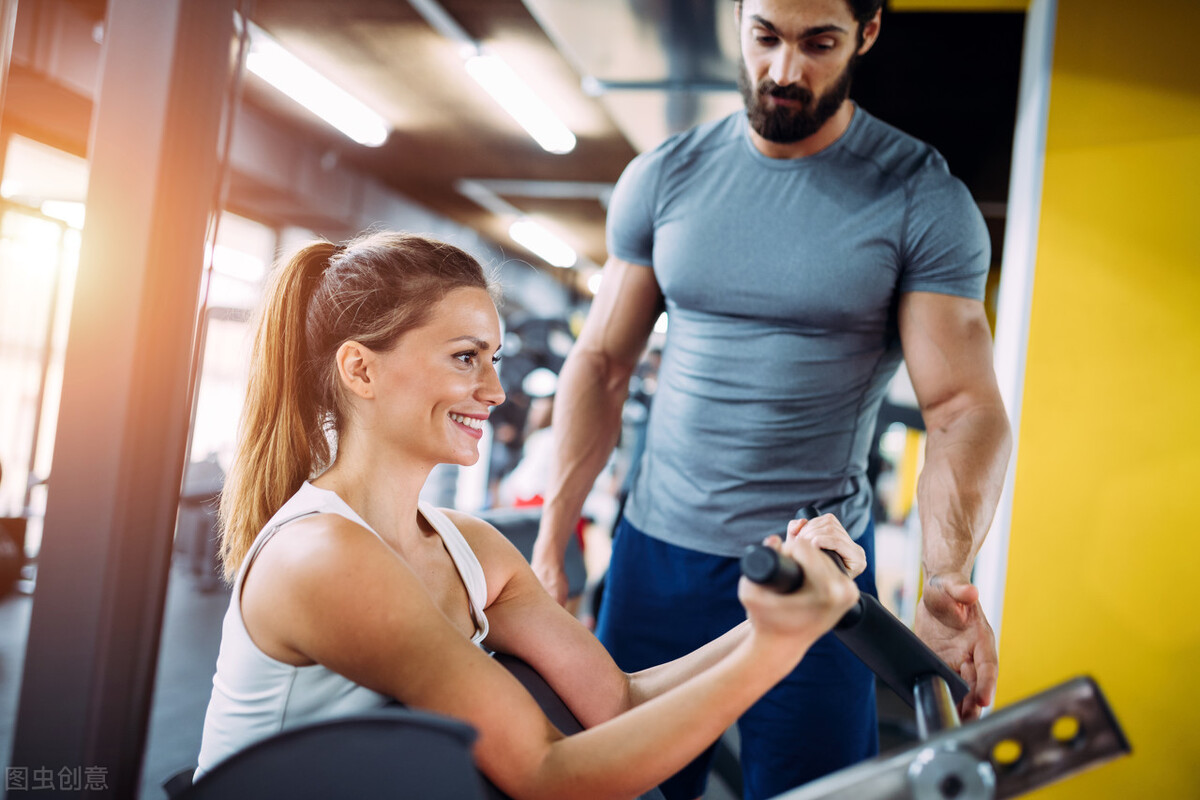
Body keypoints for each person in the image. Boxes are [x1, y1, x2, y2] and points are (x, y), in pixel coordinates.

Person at [530, 1, 1014, 798]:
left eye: (819, 43)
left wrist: (943, 578)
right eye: (766, 37)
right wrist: (555, 534)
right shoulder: (666, 174)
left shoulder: (918, 196)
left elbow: (962, 408)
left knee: (809, 791)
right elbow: (603, 361)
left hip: (816, 569)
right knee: (622, 785)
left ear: (868, 32)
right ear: (740, 20)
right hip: (658, 559)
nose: (785, 72)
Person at [194, 230, 866, 800]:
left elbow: (616, 705)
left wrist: (782, 615)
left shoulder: (471, 548)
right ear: (360, 372)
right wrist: (778, 647)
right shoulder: (321, 556)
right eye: (465, 358)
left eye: (493, 359)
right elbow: (547, 776)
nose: (494, 390)